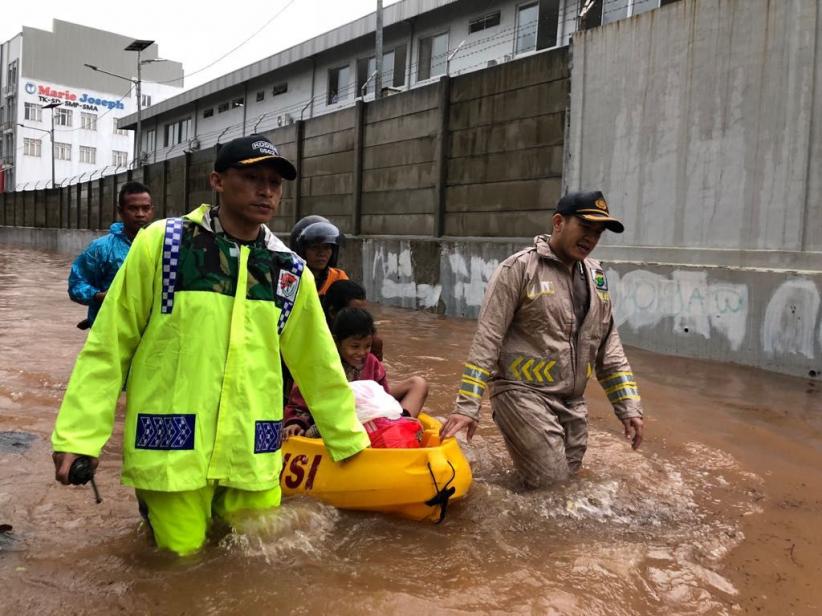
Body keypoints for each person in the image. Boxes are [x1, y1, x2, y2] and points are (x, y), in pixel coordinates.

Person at [51, 134, 369, 556]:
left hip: (252, 450)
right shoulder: (164, 245)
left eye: (274, 182)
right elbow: (110, 344)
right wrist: (78, 435)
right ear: (217, 181)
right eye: (252, 176)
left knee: (253, 566)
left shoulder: (288, 269)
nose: (265, 190)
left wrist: (348, 442)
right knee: (178, 564)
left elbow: (318, 362)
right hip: (171, 446)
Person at [440, 191, 645, 488]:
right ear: (559, 222)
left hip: (572, 402)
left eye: (598, 233)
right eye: (585, 228)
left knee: (564, 485)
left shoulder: (596, 277)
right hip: (520, 394)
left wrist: (629, 407)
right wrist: (466, 407)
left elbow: (608, 348)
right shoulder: (518, 269)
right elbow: (487, 340)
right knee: (552, 484)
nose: (592, 238)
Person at [284, 307, 428, 437]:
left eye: (367, 346)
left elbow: (383, 397)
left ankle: (400, 425)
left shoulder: (372, 363)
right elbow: (300, 403)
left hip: (371, 417)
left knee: (419, 383)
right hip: (335, 418)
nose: (362, 353)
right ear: (337, 342)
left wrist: (393, 414)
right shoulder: (322, 365)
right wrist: (296, 423)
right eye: (355, 346)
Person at [68, 181, 154, 328]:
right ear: (120, 211)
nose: (140, 214)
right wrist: (99, 296)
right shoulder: (101, 248)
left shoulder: (163, 244)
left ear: (152, 210)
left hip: (150, 332)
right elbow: (76, 285)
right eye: (133, 208)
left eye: (145, 208)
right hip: (110, 331)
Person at [322, 279, 383, 360]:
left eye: (363, 313)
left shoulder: (372, 341)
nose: (361, 318)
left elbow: (376, 370)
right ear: (332, 312)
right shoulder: (316, 337)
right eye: (354, 312)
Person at [290, 215, 348, 296]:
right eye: (315, 247)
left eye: (326, 247)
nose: (321, 253)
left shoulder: (338, 278)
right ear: (301, 251)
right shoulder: (290, 278)